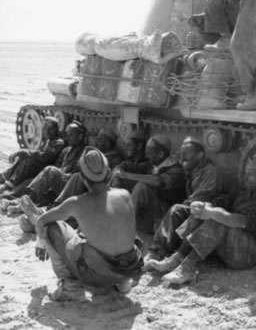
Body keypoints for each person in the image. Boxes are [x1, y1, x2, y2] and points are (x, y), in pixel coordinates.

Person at [30, 146, 143, 302]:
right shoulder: (124, 194)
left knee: (50, 228)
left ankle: (70, 288)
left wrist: (41, 241)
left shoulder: (77, 203)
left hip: (98, 276)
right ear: (108, 174)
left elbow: (42, 221)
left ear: (82, 178)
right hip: (130, 268)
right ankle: (123, 284)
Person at [145, 153, 256, 285]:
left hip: (247, 254)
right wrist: (206, 206)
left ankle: (187, 268)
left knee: (216, 220)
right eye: (246, 173)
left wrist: (212, 213)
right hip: (227, 244)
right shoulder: (244, 191)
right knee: (180, 210)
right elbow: (223, 201)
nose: (246, 177)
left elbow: (241, 221)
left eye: (251, 175)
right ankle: (171, 256)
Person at [146, 137, 221, 259]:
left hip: (207, 211)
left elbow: (201, 198)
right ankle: (161, 248)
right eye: (182, 153)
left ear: (200, 155)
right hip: (195, 207)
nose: (183, 157)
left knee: (176, 210)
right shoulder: (191, 168)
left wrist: (183, 204)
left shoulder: (210, 171)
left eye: (188, 153)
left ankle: (159, 250)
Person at [117, 135, 185, 233]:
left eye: (149, 153)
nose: (146, 156)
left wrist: (127, 175)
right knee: (120, 180)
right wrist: (120, 169)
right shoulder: (152, 165)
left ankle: (124, 226)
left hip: (166, 221)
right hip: (150, 217)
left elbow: (158, 181)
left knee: (142, 187)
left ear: (161, 154)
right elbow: (132, 167)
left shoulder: (177, 170)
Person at [21, 120, 87, 207]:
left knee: (50, 170)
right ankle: (25, 203)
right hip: (60, 183)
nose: (68, 137)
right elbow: (57, 165)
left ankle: (28, 201)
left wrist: (60, 175)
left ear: (80, 136)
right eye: (67, 134)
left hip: (70, 187)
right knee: (38, 192)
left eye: (71, 134)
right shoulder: (66, 150)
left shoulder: (85, 152)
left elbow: (77, 176)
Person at [0, 116, 65, 197]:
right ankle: (5, 176)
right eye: (44, 128)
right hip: (43, 165)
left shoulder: (58, 142)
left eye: (48, 129)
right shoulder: (49, 140)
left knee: (29, 161)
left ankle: (10, 184)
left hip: (47, 169)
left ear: (54, 130)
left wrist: (27, 152)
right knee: (24, 156)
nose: (45, 131)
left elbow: (46, 157)